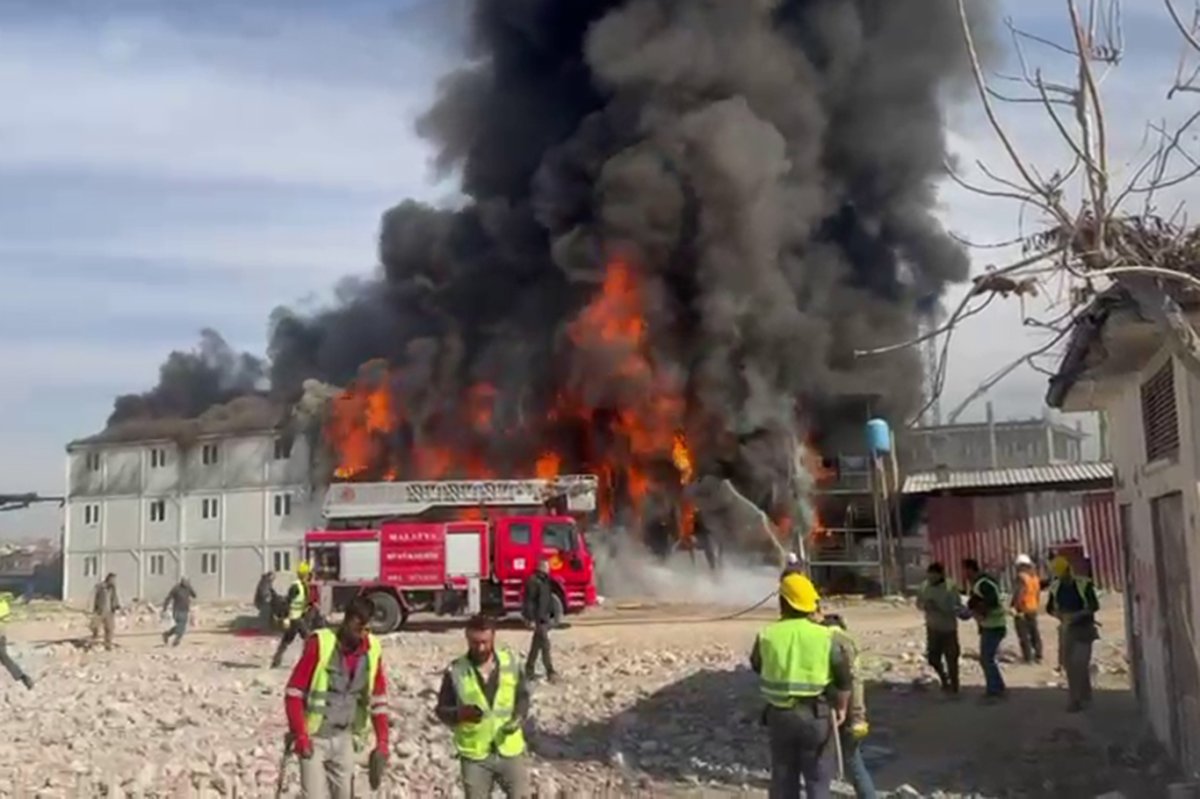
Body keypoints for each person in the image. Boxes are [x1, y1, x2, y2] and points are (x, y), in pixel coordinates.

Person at [750, 572, 852, 799]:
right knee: (818, 779)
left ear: (782, 602)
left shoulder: (767, 635)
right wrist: (843, 708)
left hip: (779, 715)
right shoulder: (827, 636)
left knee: (783, 777)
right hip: (817, 715)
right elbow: (844, 677)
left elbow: (757, 665)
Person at [284, 595, 388, 799]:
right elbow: (293, 693)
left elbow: (379, 701)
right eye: (357, 628)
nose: (361, 636)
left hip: (345, 738)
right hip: (314, 738)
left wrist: (383, 741)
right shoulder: (320, 644)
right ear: (346, 620)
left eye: (366, 629)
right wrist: (300, 735)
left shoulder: (373, 650)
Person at [436, 614, 531, 799]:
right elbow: (441, 710)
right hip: (475, 755)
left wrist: (519, 717)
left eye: (485, 642)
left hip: (509, 748)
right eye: (474, 642)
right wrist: (460, 714)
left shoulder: (510, 662)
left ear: (494, 637)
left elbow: (522, 697)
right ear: (467, 638)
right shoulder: (456, 670)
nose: (480, 648)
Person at [817, 612, 877, 799]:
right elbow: (856, 681)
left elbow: (842, 681)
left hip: (839, 710)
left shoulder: (828, 641)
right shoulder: (850, 640)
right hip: (856, 710)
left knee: (846, 761)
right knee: (853, 759)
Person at [1046, 556, 1100, 712]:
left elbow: (1094, 606)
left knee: (1080, 664)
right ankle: (1080, 696)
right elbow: (1050, 608)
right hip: (1067, 629)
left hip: (1084, 628)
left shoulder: (1083, 584)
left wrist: (1077, 615)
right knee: (1070, 666)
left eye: (1064, 574)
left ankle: (1077, 698)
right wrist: (1060, 615)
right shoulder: (1056, 587)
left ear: (1069, 570)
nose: (1063, 578)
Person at [963, 558, 1007, 702]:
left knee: (987, 659)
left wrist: (978, 613)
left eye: (965, 570)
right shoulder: (981, 583)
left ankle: (994, 690)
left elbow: (992, 603)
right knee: (988, 658)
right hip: (991, 625)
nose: (964, 574)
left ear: (970, 569)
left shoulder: (983, 584)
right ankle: (998, 687)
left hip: (994, 626)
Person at [916, 562, 962, 694]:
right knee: (933, 658)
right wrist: (925, 605)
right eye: (929, 575)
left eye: (933, 575)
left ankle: (954, 686)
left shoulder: (950, 587)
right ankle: (943, 678)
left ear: (940, 575)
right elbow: (919, 603)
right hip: (932, 628)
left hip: (948, 629)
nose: (930, 578)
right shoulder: (924, 586)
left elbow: (956, 608)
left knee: (951, 658)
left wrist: (939, 608)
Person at [272, 562, 316, 668]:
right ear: (305, 574)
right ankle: (309, 662)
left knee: (287, 640)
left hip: (297, 617)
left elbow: (302, 602)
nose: (311, 575)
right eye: (309, 574)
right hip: (294, 618)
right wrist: (285, 617)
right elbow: (288, 602)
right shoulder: (296, 587)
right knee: (309, 639)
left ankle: (276, 662)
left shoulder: (302, 585)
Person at [522, 559, 557, 682]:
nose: (549, 569)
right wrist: (530, 618)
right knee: (545, 645)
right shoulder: (533, 581)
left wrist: (552, 613)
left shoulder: (546, 581)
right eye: (547, 567)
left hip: (544, 617)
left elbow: (547, 598)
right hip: (537, 618)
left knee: (536, 646)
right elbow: (529, 602)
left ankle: (529, 669)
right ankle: (550, 671)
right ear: (541, 568)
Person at [1011, 554, 1043, 664]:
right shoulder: (1034, 578)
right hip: (1033, 608)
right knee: (1034, 632)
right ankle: (1038, 655)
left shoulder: (1021, 578)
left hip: (1022, 609)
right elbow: (1038, 594)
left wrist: (1015, 607)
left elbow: (1019, 593)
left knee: (1023, 634)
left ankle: (1028, 658)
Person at [0, 591, 34, 689]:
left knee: (4, 658)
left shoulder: (2, 604)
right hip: (2, 635)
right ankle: (23, 677)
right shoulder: (3, 602)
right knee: (5, 658)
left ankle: (23, 678)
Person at [161, 577, 196, 647]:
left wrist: (190, 588)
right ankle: (177, 640)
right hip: (177, 610)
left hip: (185, 610)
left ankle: (167, 634)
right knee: (181, 626)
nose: (186, 583)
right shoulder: (176, 588)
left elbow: (194, 595)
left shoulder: (188, 588)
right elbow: (169, 597)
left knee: (180, 626)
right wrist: (165, 607)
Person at [89, 573, 120, 651]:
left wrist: (116, 605)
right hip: (99, 611)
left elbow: (115, 598)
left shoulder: (113, 589)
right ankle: (93, 642)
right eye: (112, 580)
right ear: (108, 579)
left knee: (110, 629)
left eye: (114, 580)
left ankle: (108, 645)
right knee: (94, 627)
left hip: (109, 612)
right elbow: (93, 598)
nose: (114, 582)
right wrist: (92, 609)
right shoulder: (100, 587)